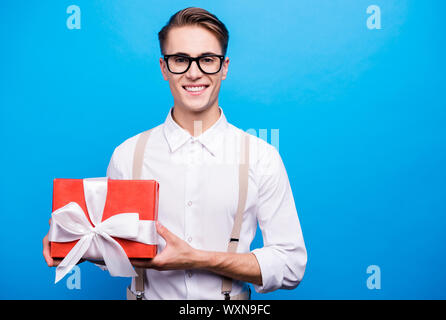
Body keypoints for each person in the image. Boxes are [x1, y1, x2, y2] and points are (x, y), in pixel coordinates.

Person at [43, 7, 307, 300]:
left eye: (207, 60)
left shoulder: (261, 157)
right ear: (164, 68)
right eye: (180, 60)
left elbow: (291, 265)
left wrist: (199, 258)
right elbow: (115, 249)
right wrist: (75, 244)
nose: (194, 73)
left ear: (224, 67)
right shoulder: (127, 155)